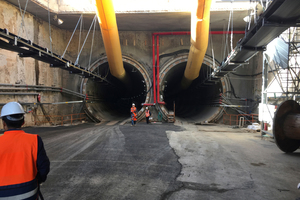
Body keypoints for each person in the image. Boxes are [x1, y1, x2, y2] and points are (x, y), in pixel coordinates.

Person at [0, 102, 50, 200]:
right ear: (23, 122)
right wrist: (36, 181)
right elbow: (44, 167)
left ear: (4, 123)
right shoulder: (35, 140)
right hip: (29, 192)